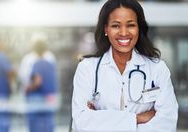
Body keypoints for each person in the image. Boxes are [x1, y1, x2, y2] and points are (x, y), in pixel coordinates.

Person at [71, 0, 178, 131]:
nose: (123, 33)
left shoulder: (157, 69)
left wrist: (99, 119)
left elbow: (166, 124)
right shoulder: (87, 68)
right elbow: (81, 123)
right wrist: (136, 118)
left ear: (139, 28)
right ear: (106, 29)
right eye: (116, 26)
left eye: (131, 25)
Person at [22, 34, 58, 132]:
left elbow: (38, 82)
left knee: (34, 126)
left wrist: (27, 89)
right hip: (50, 97)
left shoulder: (36, 62)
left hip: (37, 98)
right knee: (48, 124)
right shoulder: (50, 61)